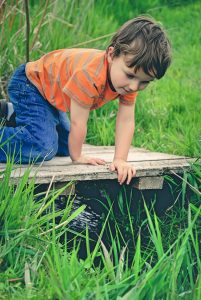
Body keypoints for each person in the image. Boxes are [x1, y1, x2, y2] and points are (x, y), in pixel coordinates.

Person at [0, 15, 171, 185]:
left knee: (66, 146)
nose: (134, 86)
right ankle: (17, 118)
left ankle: (11, 113)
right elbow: (78, 123)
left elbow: (126, 120)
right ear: (111, 54)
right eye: (130, 75)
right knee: (42, 147)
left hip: (50, 96)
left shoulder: (127, 82)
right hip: (30, 85)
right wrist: (78, 157)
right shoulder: (89, 75)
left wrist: (120, 159)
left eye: (145, 82)